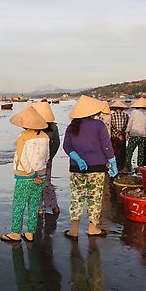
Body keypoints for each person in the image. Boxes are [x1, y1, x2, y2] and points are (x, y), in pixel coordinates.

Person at [62, 95, 118, 240]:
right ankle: (93, 229)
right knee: (95, 197)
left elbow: (66, 146)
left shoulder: (71, 127)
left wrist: (77, 158)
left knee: (76, 197)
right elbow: (106, 146)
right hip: (97, 168)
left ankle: (74, 231)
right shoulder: (99, 125)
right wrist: (112, 162)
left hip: (76, 169)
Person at [0, 106, 49, 243]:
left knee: (18, 204)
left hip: (26, 176)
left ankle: (15, 233)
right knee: (34, 204)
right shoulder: (45, 136)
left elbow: (22, 158)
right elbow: (47, 157)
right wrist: (39, 173)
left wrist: (32, 174)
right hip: (42, 174)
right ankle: (30, 232)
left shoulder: (23, 136)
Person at [29, 101, 60, 215]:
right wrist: (50, 157)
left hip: (39, 160)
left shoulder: (36, 127)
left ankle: (41, 207)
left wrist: (49, 157)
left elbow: (55, 144)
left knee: (38, 182)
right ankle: (53, 206)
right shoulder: (53, 127)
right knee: (46, 182)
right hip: (44, 159)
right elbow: (56, 143)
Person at [125, 97, 146, 172]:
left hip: (134, 134)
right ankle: (140, 168)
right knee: (142, 152)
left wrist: (127, 132)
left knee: (129, 151)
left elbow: (130, 123)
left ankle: (127, 166)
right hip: (144, 135)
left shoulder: (133, 112)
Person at [109, 100, 129, 173]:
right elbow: (127, 126)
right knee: (122, 151)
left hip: (114, 136)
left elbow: (111, 127)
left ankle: (115, 167)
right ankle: (121, 167)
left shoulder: (111, 116)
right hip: (122, 136)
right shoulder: (126, 115)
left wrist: (117, 134)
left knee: (115, 152)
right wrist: (121, 134)